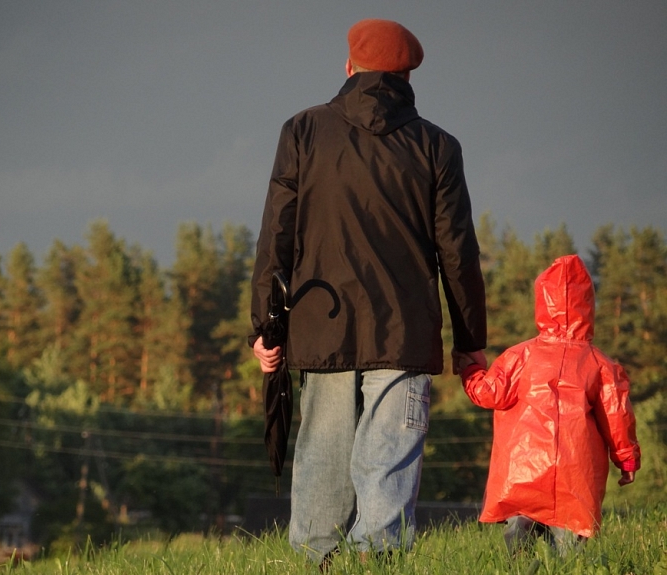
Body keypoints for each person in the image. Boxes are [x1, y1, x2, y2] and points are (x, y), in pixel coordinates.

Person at [250, 18, 487, 568]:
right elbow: (458, 252)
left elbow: (275, 236)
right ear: (407, 76)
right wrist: (470, 339)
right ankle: (375, 564)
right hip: (404, 332)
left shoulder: (302, 132)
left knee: (323, 458)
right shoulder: (439, 147)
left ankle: (316, 562)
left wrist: (265, 325)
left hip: (320, 322)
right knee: (389, 463)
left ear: (349, 68)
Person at [452, 254, 641, 557]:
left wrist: (469, 370)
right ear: (588, 307)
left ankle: (521, 563)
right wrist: (627, 461)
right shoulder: (601, 365)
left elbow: (487, 393)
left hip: (522, 473)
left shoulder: (519, 356)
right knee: (569, 554)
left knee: (518, 539)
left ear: (542, 302)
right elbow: (617, 416)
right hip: (575, 479)